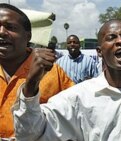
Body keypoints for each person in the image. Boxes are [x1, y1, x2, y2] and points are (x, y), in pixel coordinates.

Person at [11, 19, 121, 141]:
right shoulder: (78, 97)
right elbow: (30, 135)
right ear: (99, 51)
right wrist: (31, 85)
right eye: (111, 37)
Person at [0, 3, 74, 139]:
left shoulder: (51, 72)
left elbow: (73, 116)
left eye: (10, 27)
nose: (1, 32)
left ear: (28, 36)